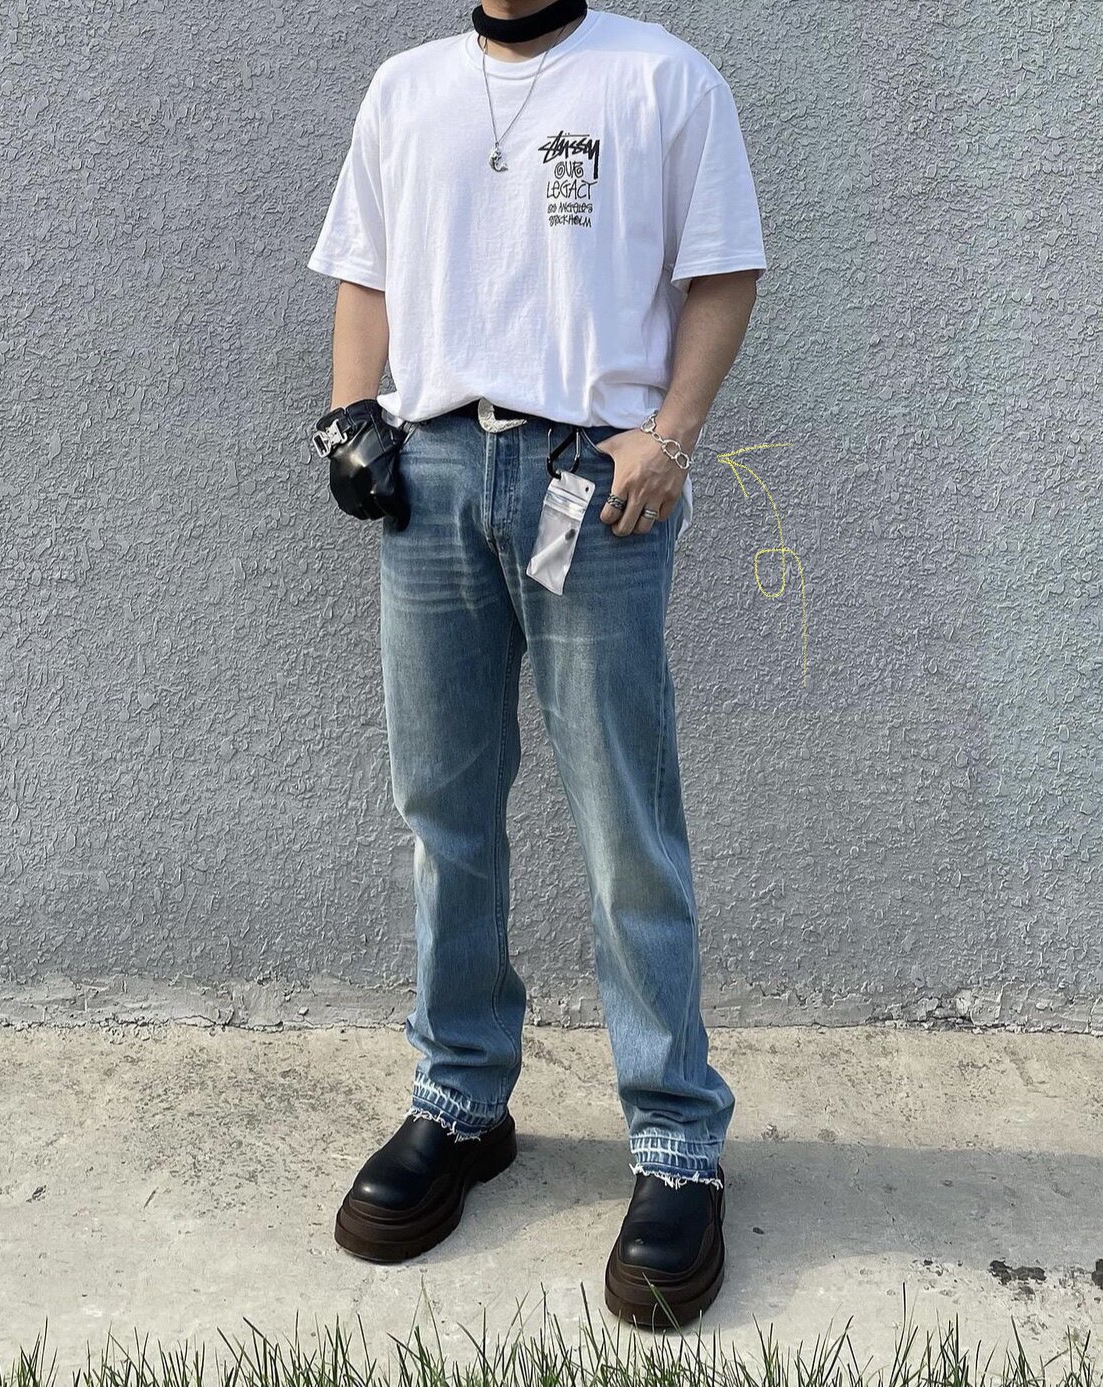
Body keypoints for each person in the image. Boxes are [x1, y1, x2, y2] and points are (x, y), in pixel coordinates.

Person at [307, 0, 767, 1328]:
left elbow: (723, 270)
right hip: (434, 475)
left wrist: (669, 437)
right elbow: (364, 272)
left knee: (624, 820)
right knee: (441, 804)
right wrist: (348, 418)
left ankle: (676, 1139)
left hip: (593, 482)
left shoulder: (663, 78)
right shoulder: (405, 89)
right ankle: (460, 1099)